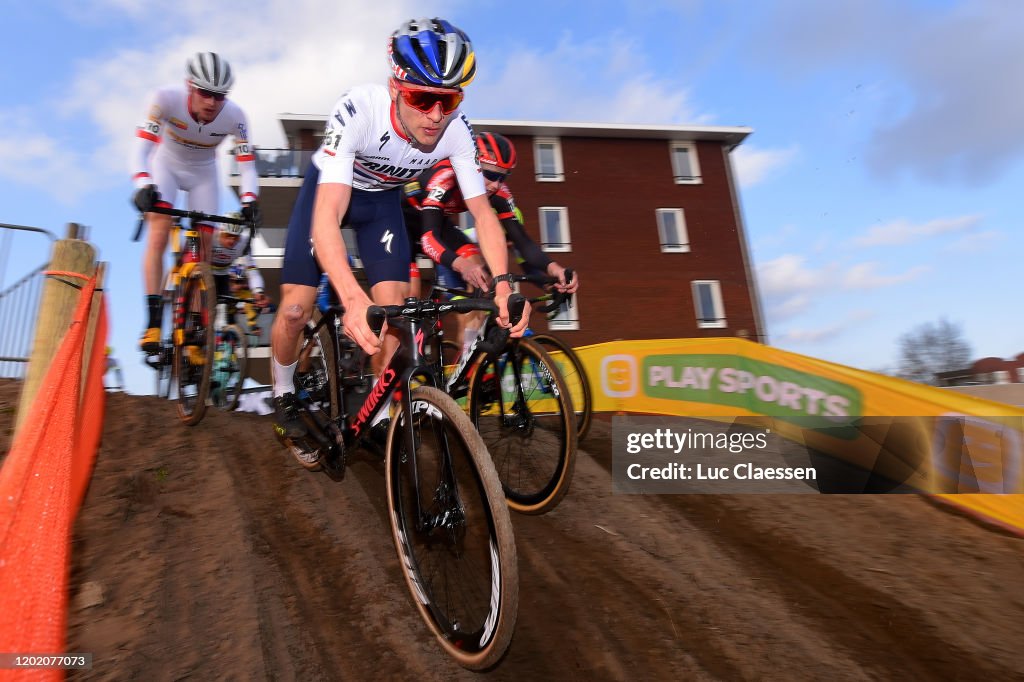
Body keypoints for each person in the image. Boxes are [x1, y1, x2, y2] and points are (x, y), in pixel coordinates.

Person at [270, 17, 529, 467]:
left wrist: (504, 286)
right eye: (422, 98)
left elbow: (483, 214)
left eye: (448, 99)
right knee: (295, 308)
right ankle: (283, 391)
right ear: (395, 86)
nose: (435, 115)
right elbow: (327, 217)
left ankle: (379, 415)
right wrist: (351, 297)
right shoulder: (358, 111)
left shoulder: (456, 130)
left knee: (395, 315)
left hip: (380, 205)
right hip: (331, 192)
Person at [132, 51, 262, 354]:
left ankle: (192, 321)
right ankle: (152, 323)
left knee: (202, 252)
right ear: (189, 86)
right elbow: (140, 150)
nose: (212, 103)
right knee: (159, 233)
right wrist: (142, 184)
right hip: (166, 167)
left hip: (204, 175)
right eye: (205, 93)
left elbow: (247, 166)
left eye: (219, 96)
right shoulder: (164, 99)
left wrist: (249, 201)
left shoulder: (236, 117)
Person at [405, 132, 579, 357]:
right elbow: (429, 238)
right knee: (406, 299)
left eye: (503, 177)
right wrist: (461, 265)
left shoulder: (498, 192)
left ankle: (468, 360)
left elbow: (522, 242)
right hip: (402, 222)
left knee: (483, 280)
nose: (496, 185)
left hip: (440, 224)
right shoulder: (445, 178)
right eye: (489, 175)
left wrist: (555, 269)